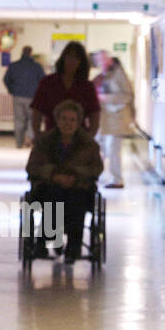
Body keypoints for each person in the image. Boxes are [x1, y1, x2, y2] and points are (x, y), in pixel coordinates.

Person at [25, 100, 104, 264]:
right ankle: (48, 237)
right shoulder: (44, 141)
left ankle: (73, 247)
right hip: (49, 185)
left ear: (79, 121)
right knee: (53, 193)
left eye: (73, 120)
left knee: (76, 198)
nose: (68, 123)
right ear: (57, 120)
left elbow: (96, 168)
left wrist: (75, 175)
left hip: (79, 187)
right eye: (64, 119)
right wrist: (53, 175)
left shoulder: (89, 144)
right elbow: (32, 167)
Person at [30, 40, 100, 139]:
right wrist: (37, 135)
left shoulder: (86, 86)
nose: (72, 61)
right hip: (51, 138)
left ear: (81, 62)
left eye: (76, 58)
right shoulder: (48, 82)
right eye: (69, 56)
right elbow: (37, 112)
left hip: (79, 140)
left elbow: (95, 116)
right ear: (63, 58)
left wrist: (89, 139)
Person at [96, 55, 135, 188]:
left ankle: (116, 179)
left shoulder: (119, 74)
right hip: (108, 120)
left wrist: (107, 98)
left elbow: (127, 95)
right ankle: (104, 176)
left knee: (113, 149)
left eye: (100, 60)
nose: (99, 63)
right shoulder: (106, 75)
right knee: (105, 148)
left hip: (117, 120)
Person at [2, 44, 45, 148]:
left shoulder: (13, 66)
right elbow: (43, 81)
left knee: (19, 120)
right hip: (33, 97)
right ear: (31, 53)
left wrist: (11, 90)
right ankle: (29, 137)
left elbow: (6, 79)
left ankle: (19, 142)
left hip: (18, 96)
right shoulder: (37, 67)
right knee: (32, 119)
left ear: (22, 52)